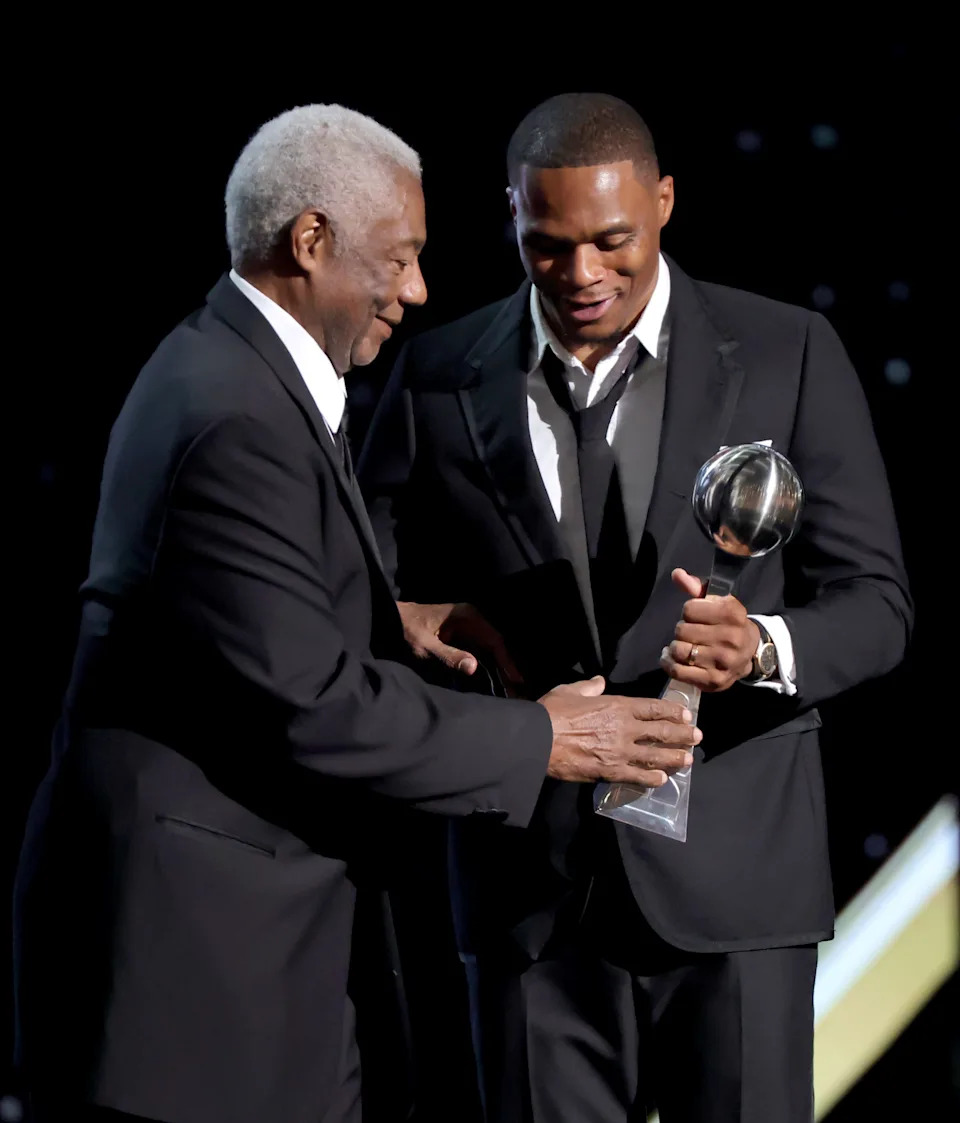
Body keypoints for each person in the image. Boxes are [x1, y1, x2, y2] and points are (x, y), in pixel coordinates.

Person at [12, 104, 700, 1123]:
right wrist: (546, 737)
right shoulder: (234, 417)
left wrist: (393, 616)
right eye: (403, 257)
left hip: (240, 952)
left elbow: (247, 625)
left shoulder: (241, 373)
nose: (419, 291)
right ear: (312, 241)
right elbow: (314, 707)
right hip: (194, 974)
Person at [358, 92, 913, 1123]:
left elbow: (879, 605)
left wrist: (765, 646)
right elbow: (362, 596)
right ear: (513, 219)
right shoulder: (438, 378)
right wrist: (422, 625)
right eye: (547, 246)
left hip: (737, 886)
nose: (581, 276)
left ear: (663, 202)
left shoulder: (787, 350)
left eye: (611, 241)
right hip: (530, 890)